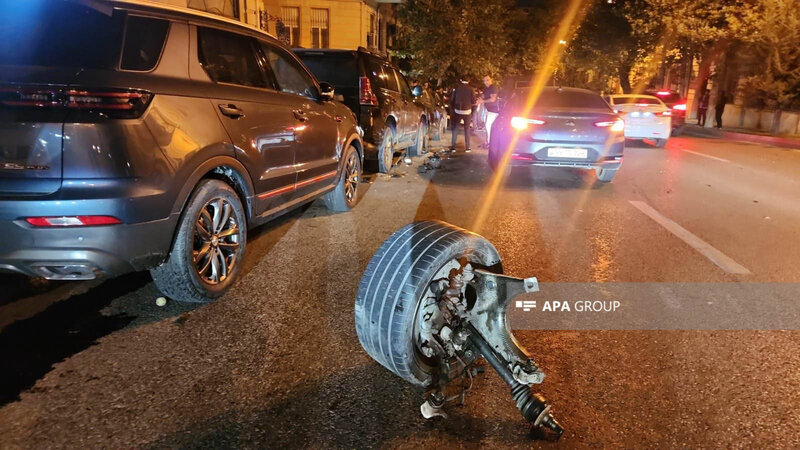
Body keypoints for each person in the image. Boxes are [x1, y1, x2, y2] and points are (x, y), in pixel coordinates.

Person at [450, 78, 475, 152]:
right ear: (468, 81)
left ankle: (453, 147)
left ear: (461, 80)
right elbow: (473, 100)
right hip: (467, 111)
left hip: (458, 110)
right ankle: (467, 147)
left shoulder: (456, 87)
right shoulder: (471, 89)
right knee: (467, 129)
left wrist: (453, 107)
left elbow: (452, 99)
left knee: (455, 128)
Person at [479, 75, 500, 146]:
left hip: (493, 110)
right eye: (484, 80)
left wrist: (482, 101)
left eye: (487, 80)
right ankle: (487, 142)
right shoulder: (486, 88)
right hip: (488, 110)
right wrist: (479, 99)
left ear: (491, 80)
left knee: (489, 126)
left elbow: (493, 99)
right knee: (486, 126)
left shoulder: (493, 87)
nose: (486, 82)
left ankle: (491, 143)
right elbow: (483, 95)